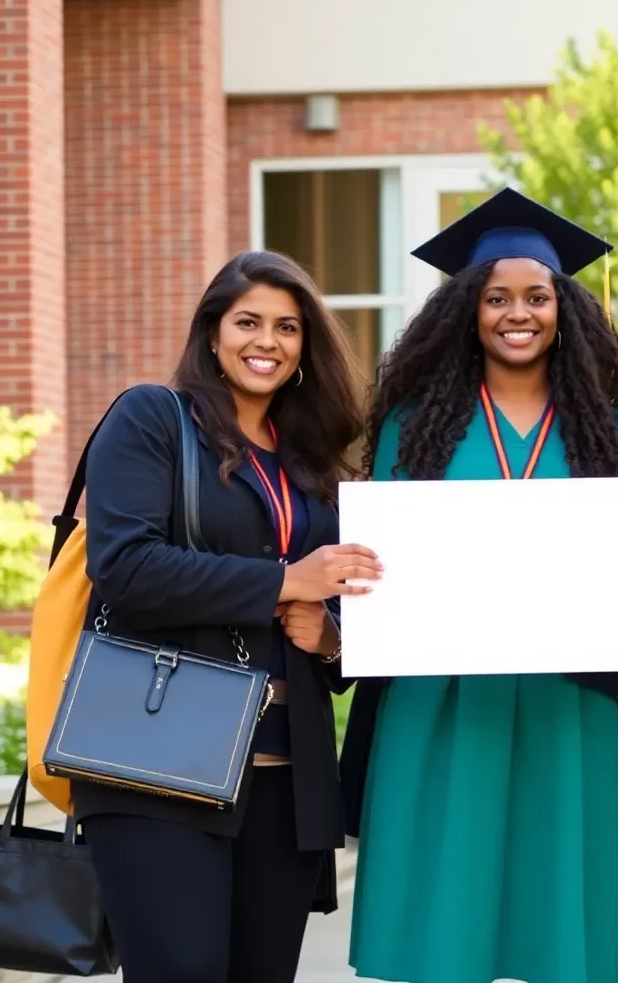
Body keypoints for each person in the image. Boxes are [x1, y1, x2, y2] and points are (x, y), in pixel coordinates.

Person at [340, 188, 618, 983]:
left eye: (537, 297)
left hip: (561, 702)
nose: (519, 312)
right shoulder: (415, 422)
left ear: (563, 309)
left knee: (562, 922)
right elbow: (384, 561)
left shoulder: (605, 429)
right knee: (445, 918)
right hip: (442, 699)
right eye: (497, 297)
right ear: (467, 310)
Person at [76, 250, 382, 983]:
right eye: (247, 322)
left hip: (286, 769)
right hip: (158, 754)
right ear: (212, 333)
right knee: (182, 970)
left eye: (287, 327)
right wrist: (284, 580)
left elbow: (334, 595)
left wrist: (333, 633)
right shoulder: (152, 417)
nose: (266, 341)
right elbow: (123, 566)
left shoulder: (313, 461)